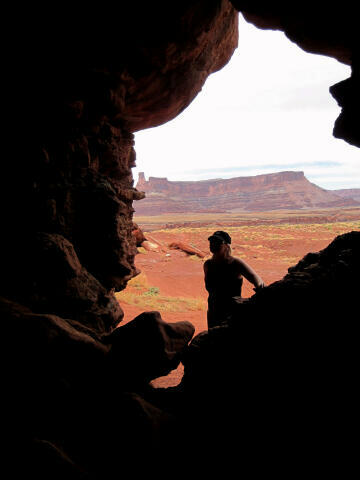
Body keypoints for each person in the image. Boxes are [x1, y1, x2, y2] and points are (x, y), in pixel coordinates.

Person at [204, 230, 265, 329]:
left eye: (218, 242)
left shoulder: (235, 263)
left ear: (227, 246)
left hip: (232, 313)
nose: (213, 244)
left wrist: (261, 290)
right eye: (211, 241)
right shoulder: (207, 265)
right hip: (213, 312)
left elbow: (255, 278)